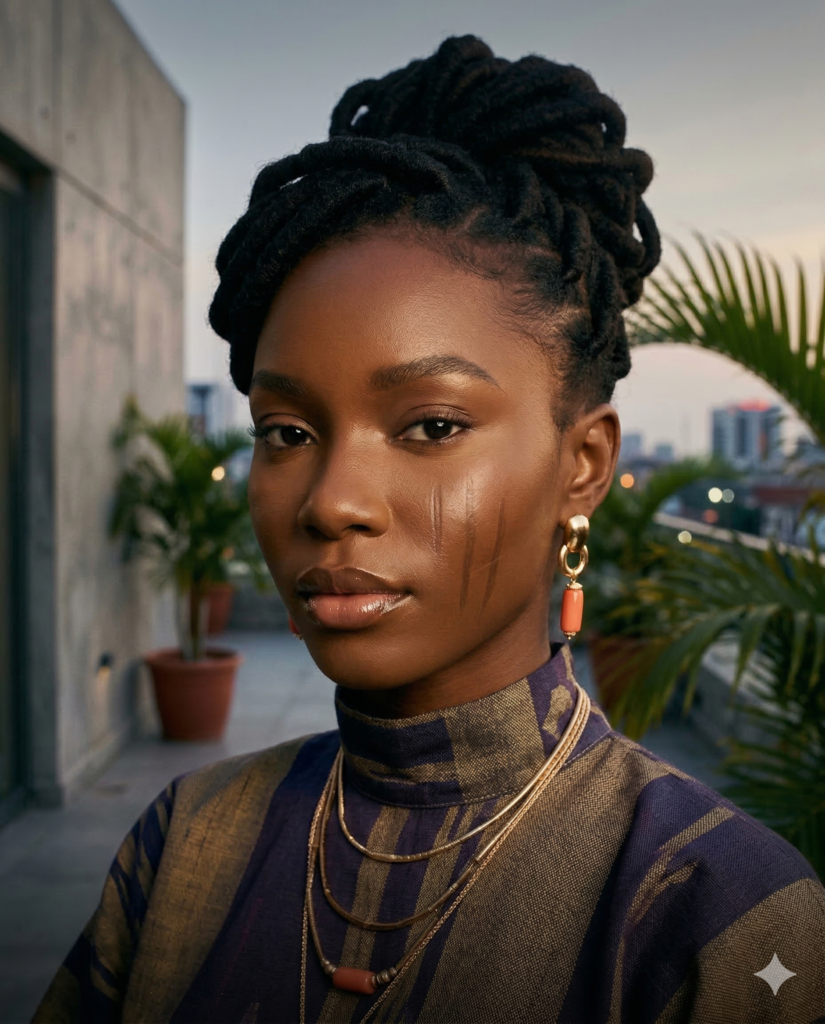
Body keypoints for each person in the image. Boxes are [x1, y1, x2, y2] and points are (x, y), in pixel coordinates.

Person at [34, 35, 825, 1024]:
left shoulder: (724, 920)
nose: (330, 499)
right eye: (286, 431)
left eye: (431, 426)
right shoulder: (179, 852)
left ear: (582, 466)